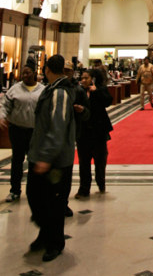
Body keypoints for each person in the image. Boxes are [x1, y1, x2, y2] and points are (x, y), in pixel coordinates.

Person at [27, 54, 76, 263]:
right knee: (35, 197)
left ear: (48, 70)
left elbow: (58, 126)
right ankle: (45, 233)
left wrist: (47, 156)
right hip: (40, 154)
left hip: (55, 160)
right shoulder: (50, 90)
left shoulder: (60, 94)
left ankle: (55, 242)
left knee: (53, 202)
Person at [0, 59, 44, 202]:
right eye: (23, 73)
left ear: (34, 73)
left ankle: (33, 190)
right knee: (17, 160)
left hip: (34, 132)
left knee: (33, 161)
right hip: (17, 130)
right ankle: (15, 190)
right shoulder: (15, 89)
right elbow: (5, 106)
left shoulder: (42, 90)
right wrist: (2, 116)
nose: (25, 76)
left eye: (28, 73)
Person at [75, 68, 114, 197]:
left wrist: (96, 92)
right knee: (84, 161)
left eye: (86, 78)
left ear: (93, 79)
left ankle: (100, 182)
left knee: (100, 160)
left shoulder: (100, 89)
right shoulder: (79, 92)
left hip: (98, 130)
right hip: (84, 131)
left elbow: (108, 101)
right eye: (82, 78)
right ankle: (84, 188)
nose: (83, 80)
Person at [63, 59, 90, 216]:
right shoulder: (52, 89)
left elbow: (88, 112)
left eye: (68, 71)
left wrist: (82, 110)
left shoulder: (78, 90)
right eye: (63, 71)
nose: (66, 74)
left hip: (77, 130)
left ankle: (82, 189)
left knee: (77, 163)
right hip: (59, 133)